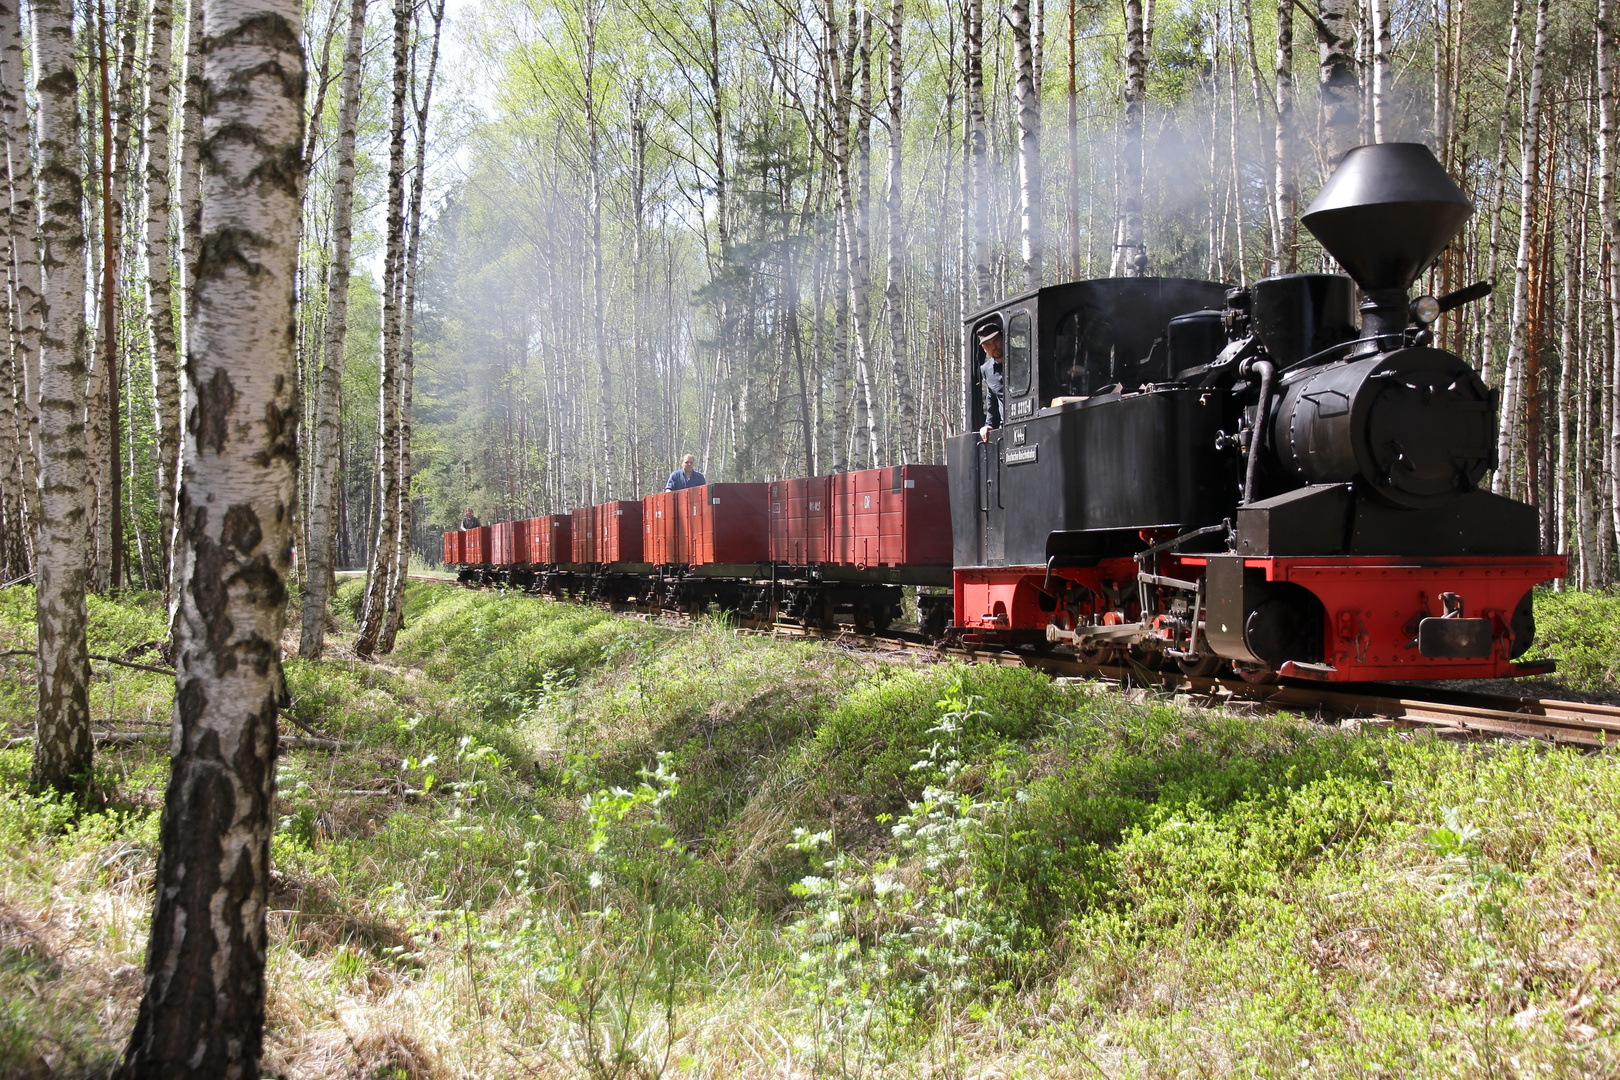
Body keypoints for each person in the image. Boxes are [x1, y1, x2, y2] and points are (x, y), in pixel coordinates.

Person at [977, 322, 1005, 442]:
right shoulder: (986, 370)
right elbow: (992, 401)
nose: (994, 347)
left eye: (996, 341)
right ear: (984, 348)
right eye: (988, 344)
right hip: (1006, 429)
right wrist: (988, 425)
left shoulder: (1025, 358)